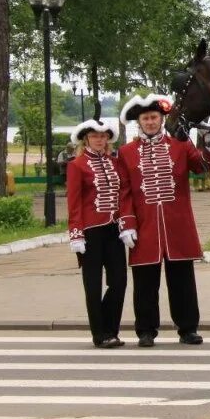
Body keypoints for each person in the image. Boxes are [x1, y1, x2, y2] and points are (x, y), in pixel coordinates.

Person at [117, 94, 210, 347]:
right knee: (145, 283)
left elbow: (203, 166)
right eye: (145, 118)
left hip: (177, 225)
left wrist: (209, 142)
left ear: (162, 120)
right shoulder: (126, 152)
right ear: (139, 122)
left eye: (154, 117)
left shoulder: (180, 146)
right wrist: (127, 223)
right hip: (145, 225)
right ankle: (146, 330)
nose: (150, 122)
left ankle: (188, 328)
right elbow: (124, 191)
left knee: (182, 280)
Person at [66, 118, 130, 349]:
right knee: (92, 286)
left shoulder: (115, 163)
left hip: (114, 230)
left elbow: (123, 194)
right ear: (86, 139)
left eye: (103, 136)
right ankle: (100, 334)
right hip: (90, 232)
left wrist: (126, 223)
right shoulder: (77, 165)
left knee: (119, 282)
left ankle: (110, 329)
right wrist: (76, 233)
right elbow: (73, 203)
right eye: (94, 136)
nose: (99, 140)